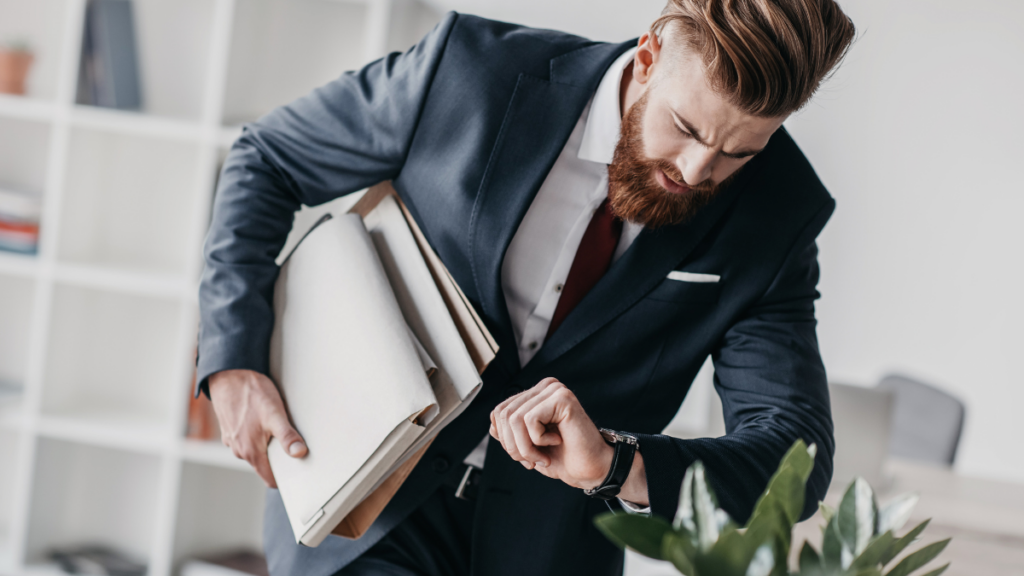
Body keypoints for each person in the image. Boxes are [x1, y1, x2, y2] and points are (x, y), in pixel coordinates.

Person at [197, 1, 856, 575]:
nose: (696, 171)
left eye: (740, 153)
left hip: (551, 554)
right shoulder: (467, 70)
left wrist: (615, 464)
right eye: (686, 128)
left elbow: (795, 454)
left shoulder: (778, 217)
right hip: (364, 514)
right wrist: (233, 360)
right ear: (650, 56)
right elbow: (269, 159)